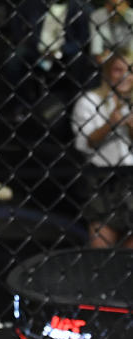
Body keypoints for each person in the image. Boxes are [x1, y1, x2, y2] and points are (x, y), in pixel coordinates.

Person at [70, 48, 133, 248]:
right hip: (102, 181)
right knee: (102, 255)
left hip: (131, 178)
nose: (125, 75)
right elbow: (83, 144)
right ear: (107, 72)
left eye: (130, 70)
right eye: (118, 69)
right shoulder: (89, 101)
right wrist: (110, 124)